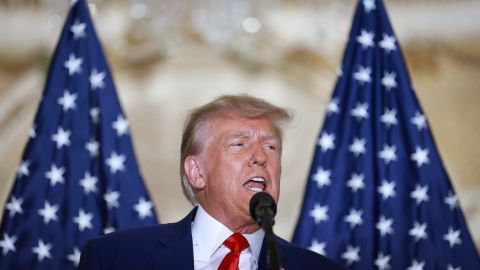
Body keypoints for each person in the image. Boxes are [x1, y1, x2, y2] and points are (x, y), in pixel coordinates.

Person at [78, 94, 344, 270]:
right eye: (239, 144)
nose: (261, 158)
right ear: (196, 172)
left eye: (271, 147)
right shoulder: (117, 258)